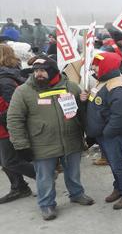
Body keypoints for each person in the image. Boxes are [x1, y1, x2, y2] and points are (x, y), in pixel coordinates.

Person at [7, 56, 93, 220]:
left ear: (53, 71)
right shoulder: (24, 91)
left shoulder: (70, 86)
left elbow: (82, 111)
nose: (38, 74)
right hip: (42, 143)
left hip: (71, 139)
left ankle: (77, 194)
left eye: (42, 70)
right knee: (44, 176)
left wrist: (84, 102)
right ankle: (46, 204)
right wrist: (21, 145)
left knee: (73, 171)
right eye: (36, 71)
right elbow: (14, 119)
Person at [86, 52, 122, 209]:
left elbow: (119, 116)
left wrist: (107, 133)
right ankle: (119, 187)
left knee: (118, 164)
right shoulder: (103, 81)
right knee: (114, 164)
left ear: (105, 67)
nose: (93, 68)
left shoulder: (118, 87)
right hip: (103, 133)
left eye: (96, 66)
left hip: (111, 134)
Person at [0, 45, 36, 203]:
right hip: (3, 127)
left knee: (10, 160)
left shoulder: (5, 79)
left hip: (6, 129)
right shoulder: (7, 75)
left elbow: (13, 109)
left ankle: (43, 175)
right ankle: (19, 187)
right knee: (3, 161)